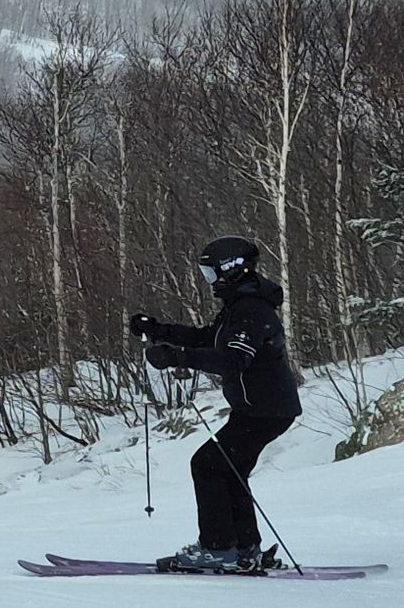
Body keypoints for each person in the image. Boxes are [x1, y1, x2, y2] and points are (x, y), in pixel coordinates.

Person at [130, 235, 304, 573]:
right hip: (261, 408)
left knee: (208, 464)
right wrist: (159, 331)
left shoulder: (252, 310)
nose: (210, 281)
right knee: (228, 469)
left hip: (265, 409)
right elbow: (208, 338)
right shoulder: (239, 306)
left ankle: (219, 548)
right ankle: (243, 548)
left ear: (232, 270)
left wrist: (177, 357)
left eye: (212, 274)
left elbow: (232, 359)